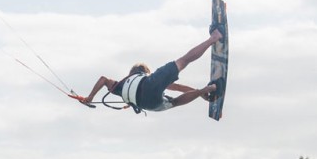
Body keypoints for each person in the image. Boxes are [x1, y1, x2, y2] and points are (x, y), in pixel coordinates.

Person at [81, 26, 224, 114]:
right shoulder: (145, 78)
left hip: (149, 104)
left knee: (175, 103)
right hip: (150, 86)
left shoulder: (120, 86)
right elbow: (178, 87)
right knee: (183, 60)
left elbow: (103, 79)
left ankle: (206, 91)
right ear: (144, 72)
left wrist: (90, 97)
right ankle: (214, 37)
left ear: (131, 74)